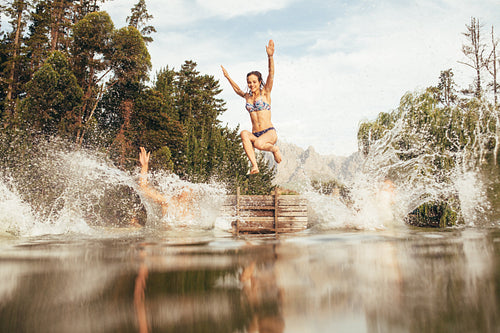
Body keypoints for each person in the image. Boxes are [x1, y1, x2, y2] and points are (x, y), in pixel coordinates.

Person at [221, 39, 282, 174]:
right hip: (256, 134)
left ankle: (274, 149)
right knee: (244, 133)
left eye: (254, 82)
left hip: (269, 133)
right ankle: (254, 166)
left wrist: (270, 57)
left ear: (259, 82)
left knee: (259, 144)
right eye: (249, 82)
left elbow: (271, 74)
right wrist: (228, 77)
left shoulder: (265, 93)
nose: (251, 84)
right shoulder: (247, 97)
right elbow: (237, 90)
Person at [138, 147, 194, 219]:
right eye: (184, 187)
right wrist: (144, 166)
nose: (187, 190)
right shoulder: (167, 202)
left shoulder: (193, 211)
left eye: (190, 188)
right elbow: (143, 187)